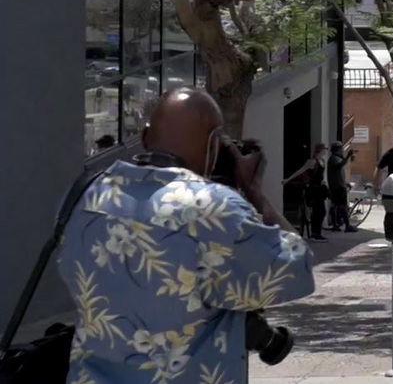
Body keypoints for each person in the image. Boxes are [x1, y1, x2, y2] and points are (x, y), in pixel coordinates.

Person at [59, 89, 315, 383]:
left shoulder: (83, 194)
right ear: (214, 146)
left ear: (144, 138)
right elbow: (299, 268)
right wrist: (255, 193)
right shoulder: (213, 210)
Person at [286, 143, 331, 242]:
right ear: (320, 150)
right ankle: (315, 233)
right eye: (325, 149)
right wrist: (288, 180)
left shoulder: (322, 161)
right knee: (318, 211)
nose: (326, 151)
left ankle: (316, 232)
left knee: (321, 211)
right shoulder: (312, 161)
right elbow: (300, 171)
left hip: (320, 188)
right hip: (313, 189)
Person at [326, 141, 355, 233]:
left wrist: (345, 182)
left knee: (335, 205)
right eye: (341, 149)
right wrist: (348, 156)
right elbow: (340, 165)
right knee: (342, 206)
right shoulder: (334, 159)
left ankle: (336, 225)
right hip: (337, 187)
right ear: (337, 149)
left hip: (338, 185)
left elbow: (339, 174)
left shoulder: (335, 158)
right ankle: (347, 226)